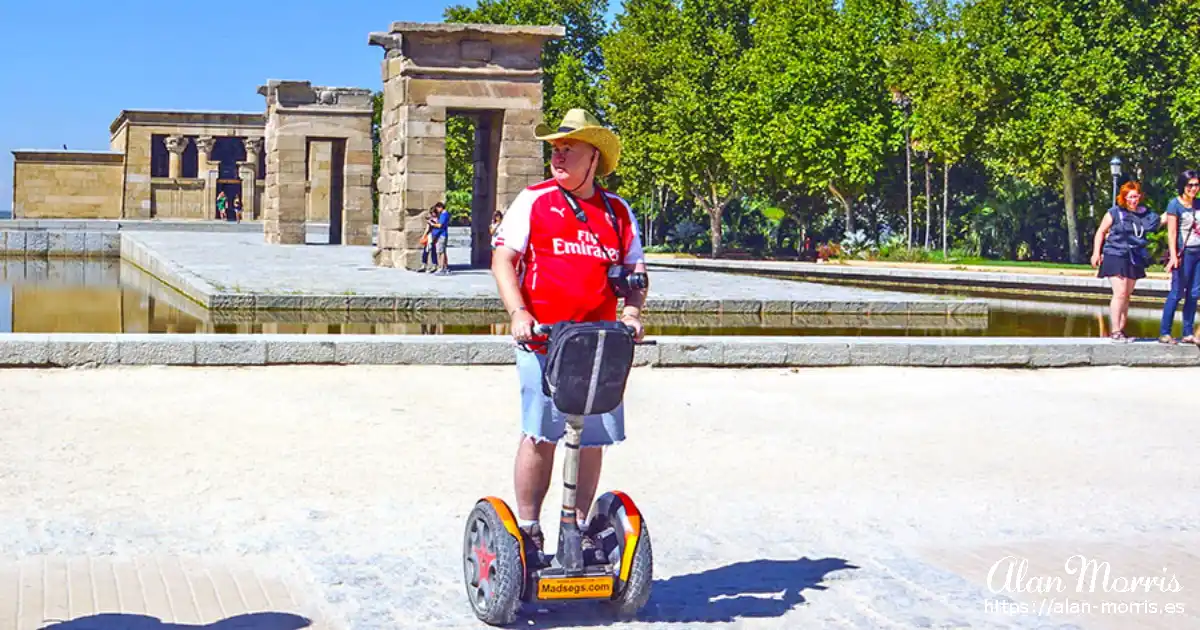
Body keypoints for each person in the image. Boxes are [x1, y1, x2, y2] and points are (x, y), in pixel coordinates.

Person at [490, 108, 648, 558]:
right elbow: (504, 260)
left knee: (593, 434)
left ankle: (577, 527)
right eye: (555, 150)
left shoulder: (617, 212)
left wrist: (633, 313)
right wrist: (518, 312)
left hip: (598, 343)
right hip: (542, 339)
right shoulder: (534, 199)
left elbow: (635, 271)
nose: (557, 157)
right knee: (540, 431)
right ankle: (527, 527)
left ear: (593, 158)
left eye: (567, 150)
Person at [1091, 180, 1166, 341]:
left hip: (1135, 256)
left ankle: (1121, 330)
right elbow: (1101, 232)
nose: (1134, 200)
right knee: (1120, 293)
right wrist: (1096, 253)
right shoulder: (1114, 212)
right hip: (1115, 253)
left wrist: (1178, 207)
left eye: (1136, 196)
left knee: (1127, 295)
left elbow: (1160, 221)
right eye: (1130, 197)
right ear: (1124, 197)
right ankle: (1115, 330)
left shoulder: (1145, 214)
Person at [1157, 170, 1200, 344]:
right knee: (1176, 292)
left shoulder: (1198, 204)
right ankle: (1165, 332)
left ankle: (1188, 332)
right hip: (1185, 253)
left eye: (1196, 185)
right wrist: (1174, 256)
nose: (1194, 188)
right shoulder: (1174, 204)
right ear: (1183, 185)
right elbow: (1172, 233)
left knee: (1194, 293)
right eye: (1190, 185)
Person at [429, 201, 451, 275]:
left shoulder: (444, 215)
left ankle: (441, 267)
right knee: (442, 251)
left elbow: (440, 225)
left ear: (440, 207)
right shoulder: (444, 214)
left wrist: (432, 224)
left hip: (441, 235)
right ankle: (444, 267)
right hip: (442, 234)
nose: (437, 210)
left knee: (440, 252)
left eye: (437, 209)